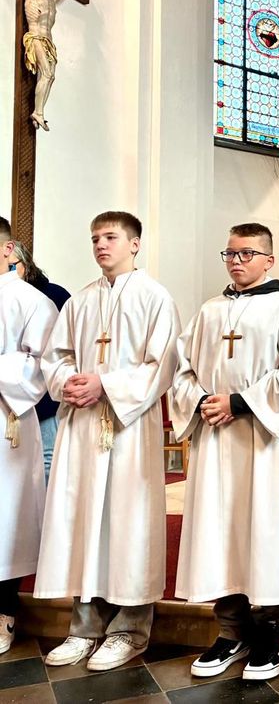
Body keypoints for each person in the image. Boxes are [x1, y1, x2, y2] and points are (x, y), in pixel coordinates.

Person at [35, 211, 180, 671]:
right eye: (95, 237)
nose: (100, 245)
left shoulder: (156, 298)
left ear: (135, 244)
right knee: (84, 522)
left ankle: (130, 629)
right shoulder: (79, 302)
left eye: (110, 237)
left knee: (127, 523)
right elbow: (53, 358)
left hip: (128, 429)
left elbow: (163, 365)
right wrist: (66, 383)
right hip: (82, 428)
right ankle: (85, 627)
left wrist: (106, 385)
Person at [173, 223, 279, 682]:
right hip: (216, 441)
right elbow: (182, 369)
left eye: (247, 253)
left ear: (269, 260)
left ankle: (275, 631)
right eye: (230, 253)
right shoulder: (209, 311)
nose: (236, 261)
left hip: (263, 441)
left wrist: (237, 402)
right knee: (220, 530)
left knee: (266, 530)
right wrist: (200, 400)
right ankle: (231, 630)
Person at [0, 217, 57, 655]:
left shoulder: (33, 301)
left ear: (8, 250)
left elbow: (44, 366)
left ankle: (4, 612)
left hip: (8, 421)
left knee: (7, 519)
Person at [0, 0, 80, 131]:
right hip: (35, 37)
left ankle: (39, 111)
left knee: (50, 76)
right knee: (45, 72)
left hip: (48, 41)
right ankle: (38, 112)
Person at [9, 241, 70, 482]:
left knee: (47, 457)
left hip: (42, 390)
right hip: (10, 387)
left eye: (12, 267)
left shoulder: (53, 295)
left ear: (25, 265)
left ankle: (44, 516)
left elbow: (61, 347)